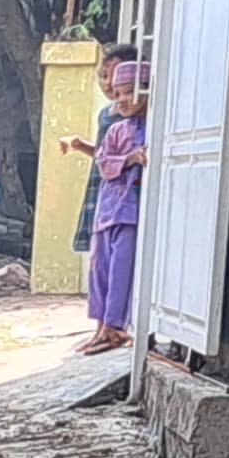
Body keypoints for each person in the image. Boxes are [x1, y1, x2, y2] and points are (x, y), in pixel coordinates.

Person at [75, 60, 149, 354]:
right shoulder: (117, 129)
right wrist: (130, 159)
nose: (121, 100)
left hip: (131, 212)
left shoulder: (155, 125)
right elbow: (104, 163)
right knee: (100, 270)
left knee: (122, 269)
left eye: (128, 92)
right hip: (108, 210)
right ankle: (102, 327)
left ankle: (115, 327)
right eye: (117, 94)